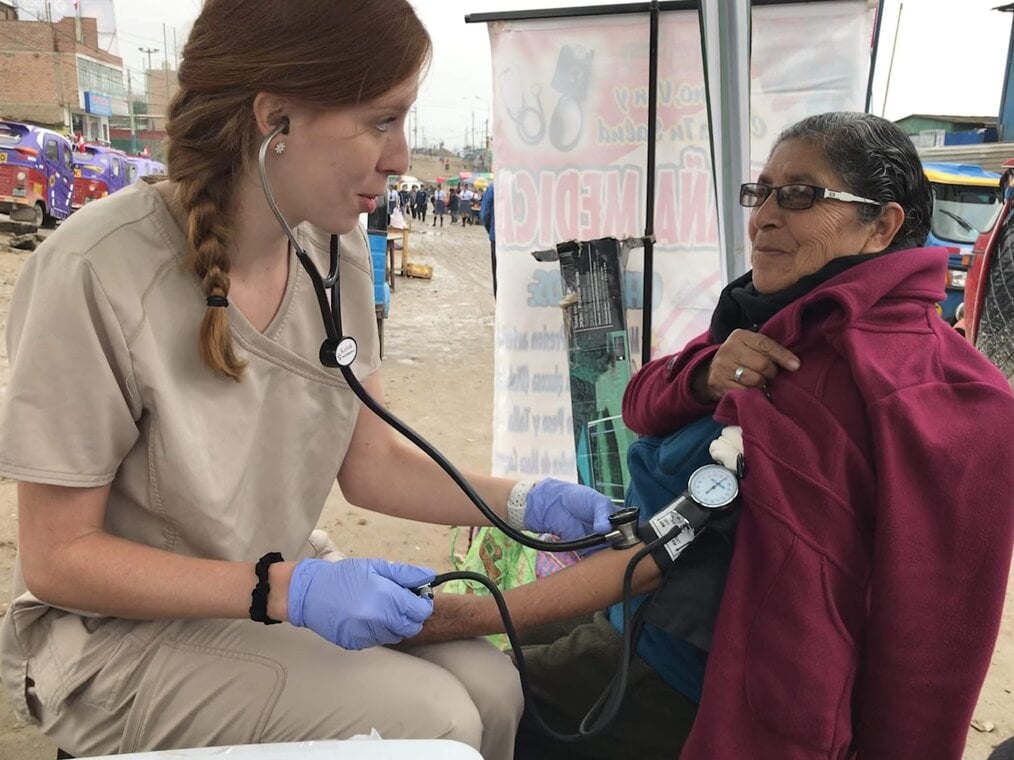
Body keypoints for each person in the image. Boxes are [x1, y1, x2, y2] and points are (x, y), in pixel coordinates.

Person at [0, 2, 620, 758]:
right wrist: (287, 590)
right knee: (434, 720)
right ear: (276, 118)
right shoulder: (94, 269)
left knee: (495, 688)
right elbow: (59, 558)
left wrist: (527, 501)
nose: (400, 158)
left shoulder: (337, 254)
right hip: (119, 636)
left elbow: (373, 467)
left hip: (268, 591)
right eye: (382, 121)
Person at [413, 112, 1014, 759]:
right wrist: (704, 378)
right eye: (761, 192)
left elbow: (930, 641)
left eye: (801, 194)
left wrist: (464, 616)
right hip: (636, 615)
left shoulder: (932, 397)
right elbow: (642, 404)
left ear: (882, 225)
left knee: (445, 704)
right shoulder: (778, 321)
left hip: (702, 686)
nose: (764, 217)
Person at [480, 180, 496, 297]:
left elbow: (485, 214)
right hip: (524, 240)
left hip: (498, 239)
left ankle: (500, 308)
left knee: (499, 276)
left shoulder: (494, 187)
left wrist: (491, 231)